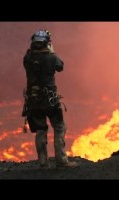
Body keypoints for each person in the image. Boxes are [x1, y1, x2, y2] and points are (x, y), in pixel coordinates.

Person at [22, 29, 78, 169]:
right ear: (47, 43)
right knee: (59, 128)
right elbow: (60, 66)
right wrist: (52, 52)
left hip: (34, 102)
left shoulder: (27, 58)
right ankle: (61, 161)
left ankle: (43, 163)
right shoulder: (51, 57)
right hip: (50, 101)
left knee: (41, 130)